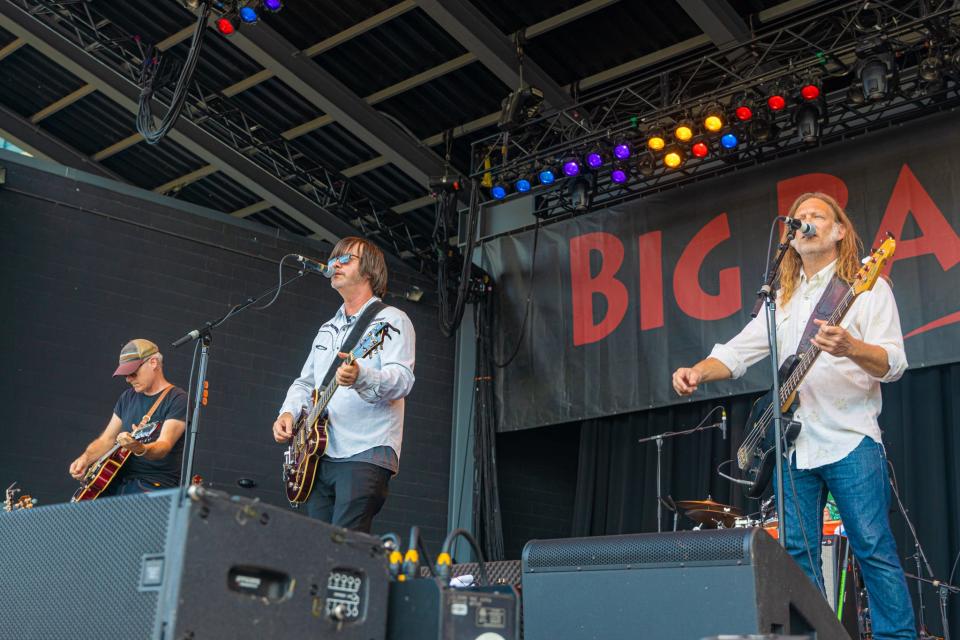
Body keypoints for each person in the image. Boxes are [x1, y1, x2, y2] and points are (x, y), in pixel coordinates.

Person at [671, 193, 915, 639]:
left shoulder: (866, 287)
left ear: (840, 231)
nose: (804, 223)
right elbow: (737, 352)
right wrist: (697, 372)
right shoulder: (779, 299)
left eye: (816, 216)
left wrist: (851, 348)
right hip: (794, 446)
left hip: (850, 439)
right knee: (798, 554)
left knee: (872, 547)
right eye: (798, 218)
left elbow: (894, 364)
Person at [272, 237, 415, 533]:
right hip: (318, 454)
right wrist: (287, 413)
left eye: (346, 259)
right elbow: (306, 382)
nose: (335, 264)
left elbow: (402, 380)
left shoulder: (392, 321)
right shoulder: (327, 329)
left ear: (370, 270)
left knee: (345, 543)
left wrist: (361, 376)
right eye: (334, 259)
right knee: (315, 543)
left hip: (366, 449)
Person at [69, 339, 188, 495]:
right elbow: (107, 439)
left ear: (153, 363)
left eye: (132, 372)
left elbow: (164, 445)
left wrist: (140, 448)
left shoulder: (177, 399)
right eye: (125, 374)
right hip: (118, 480)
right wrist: (85, 459)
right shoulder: (127, 397)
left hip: (152, 485)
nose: (128, 379)